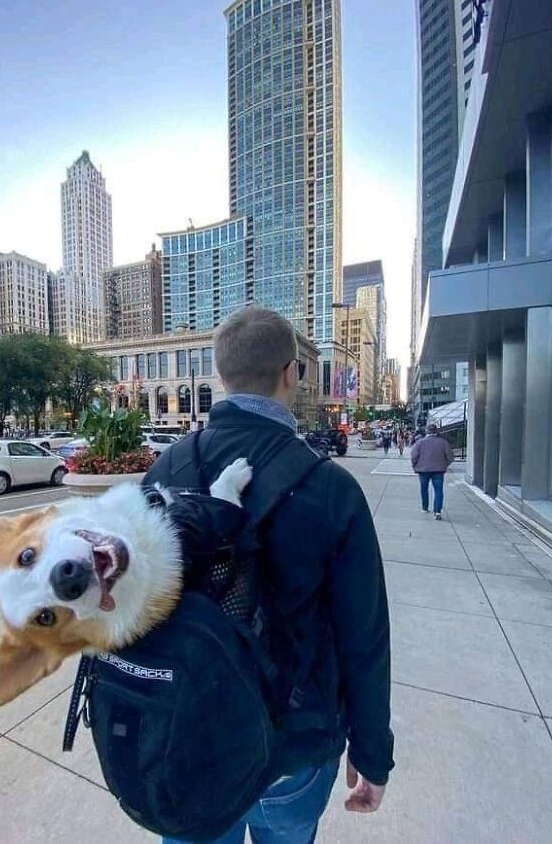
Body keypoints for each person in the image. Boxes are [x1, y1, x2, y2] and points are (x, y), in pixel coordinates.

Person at [145, 306, 393, 844]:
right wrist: (372, 753)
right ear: (291, 373)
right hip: (293, 749)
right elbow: (364, 637)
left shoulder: (167, 470)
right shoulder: (332, 489)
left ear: (220, 376)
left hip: (188, 746)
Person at [410, 423, 454, 520]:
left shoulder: (420, 442)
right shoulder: (443, 442)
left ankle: (425, 507)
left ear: (427, 431)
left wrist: (414, 465)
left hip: (423, 469)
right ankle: (437, 511)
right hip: (439, 470)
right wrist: (444, 464)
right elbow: (450, 457)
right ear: (436, 431)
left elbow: (414, 455)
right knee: (438, 490)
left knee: (424, 488)